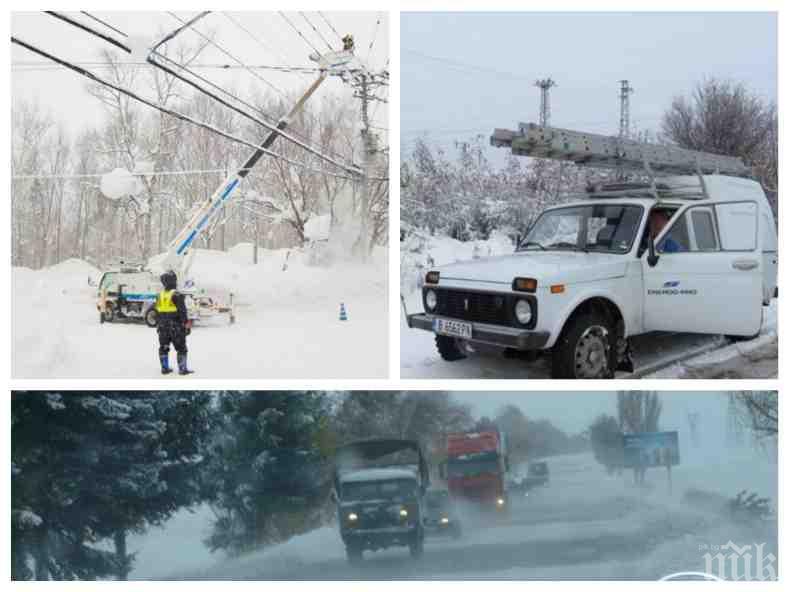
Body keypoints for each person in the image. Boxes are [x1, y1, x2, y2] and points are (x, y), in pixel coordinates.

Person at [155, 270, 193, 375]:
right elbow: (182, 311)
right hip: (176, 326)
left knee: (164, 347)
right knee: (181, 348)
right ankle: (182, 369)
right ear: (173, 281)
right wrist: (186, 324)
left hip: (163, 326)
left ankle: (165, 368)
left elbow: (156, 311)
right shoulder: (177, 295)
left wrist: (159, 325)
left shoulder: (160, 295)